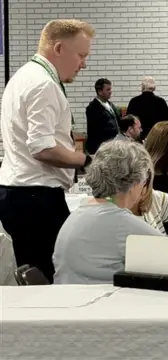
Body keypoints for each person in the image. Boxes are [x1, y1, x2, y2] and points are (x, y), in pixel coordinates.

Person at [0, 19, 95, 282]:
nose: (83, 64)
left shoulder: (23, 76)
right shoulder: (44, 84)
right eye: (81, 55)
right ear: (58, 48)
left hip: (21, 193)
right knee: (50, 278)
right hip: (35, 198)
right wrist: (88, 161)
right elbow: (42, 148)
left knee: (34, 274)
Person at [53, 141, 164, 284]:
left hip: (66, 297)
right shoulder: (120, 223)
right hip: (96, 302)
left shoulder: (79, 214)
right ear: (136, 182)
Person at [85, 78, 120, 154]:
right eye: (108, 90)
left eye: (110, 89)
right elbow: (94, 131)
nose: (110, 92)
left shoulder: (111, 105)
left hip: (113, 144)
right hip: (101, 147)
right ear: (100, 91)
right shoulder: (92, 108)